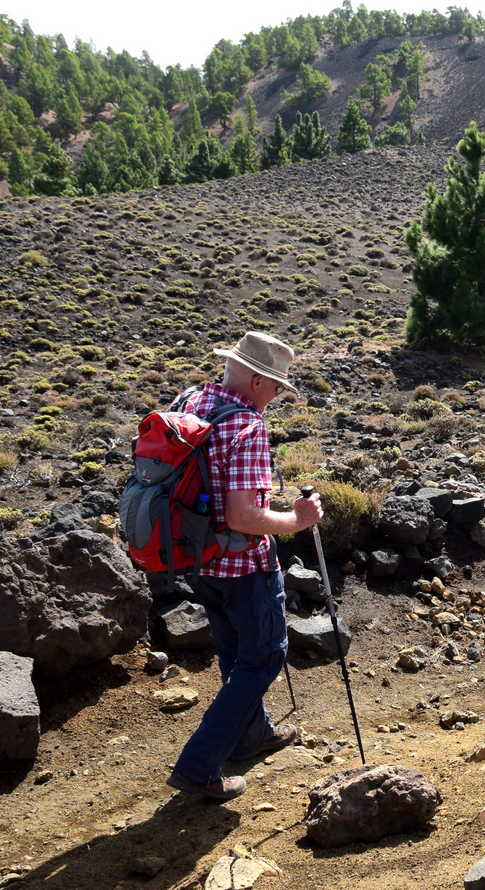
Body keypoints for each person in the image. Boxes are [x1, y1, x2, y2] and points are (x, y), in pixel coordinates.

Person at [166, 332, 323, 802]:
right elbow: (241, 516)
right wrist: (298, 519)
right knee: (264, 659)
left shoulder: (190, 399)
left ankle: (251, 735)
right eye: (277, 387)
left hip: (198, 557)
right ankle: (198, 767)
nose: (277, 397)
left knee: (235, 653)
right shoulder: (248, 425)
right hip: (243, 565)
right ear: (257, 381)